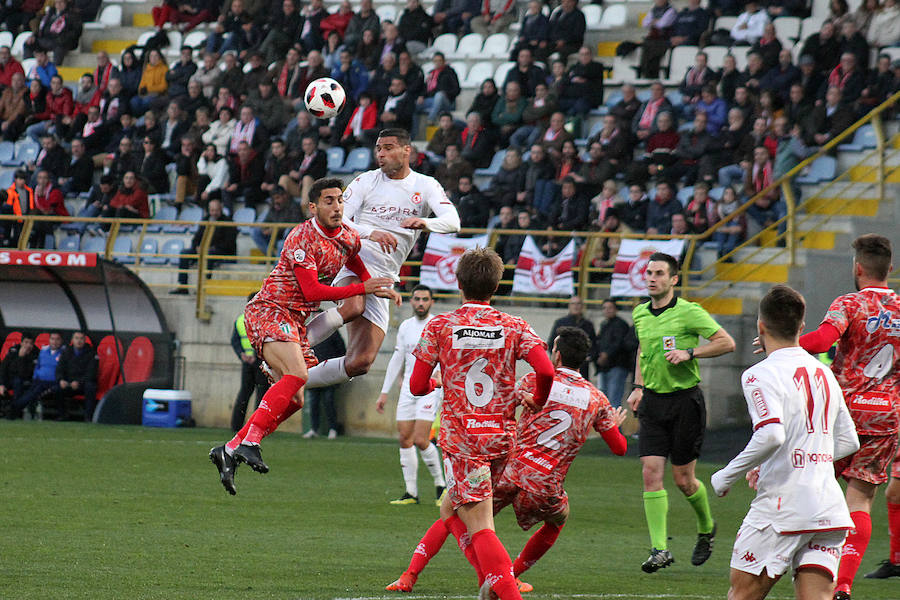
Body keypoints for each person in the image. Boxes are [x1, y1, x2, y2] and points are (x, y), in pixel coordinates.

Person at [385, 326, 627, 593]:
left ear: (556, 355)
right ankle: (512, 573)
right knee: (558, 520)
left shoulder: (533, 382)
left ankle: (411, 575)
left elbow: (498, 406)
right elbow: (619, 448)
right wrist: (613, 424)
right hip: (546, 484)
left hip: (510, 471)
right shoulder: (597, 400)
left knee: (454, 511)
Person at [208, 178, 400, 495]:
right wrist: (361, 288)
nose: (337, 206)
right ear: (313, 207)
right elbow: (313, 291)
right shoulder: (301, 237)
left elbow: (352, 257)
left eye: (339, 200)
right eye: (328, 201)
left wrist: (374, 283)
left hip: (295, 321)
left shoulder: (349, 236)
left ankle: (229, 449)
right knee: (297, 374)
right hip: (270, 309)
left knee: (296, 399)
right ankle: (251, 442)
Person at [406, 247, 556, 600]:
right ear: (497, 285)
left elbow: (416, 385)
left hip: (464, 442)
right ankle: (488, 582)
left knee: (480, 525)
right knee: (452, 510)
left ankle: (505, 591)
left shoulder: (441, 325)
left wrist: (434, 383)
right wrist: (538, 399)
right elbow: (546, 369)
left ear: (458, 283)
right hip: (502, 438)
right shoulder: (514, 325)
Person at [711, 285, 860, 600]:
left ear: (760, 326)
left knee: (743, 593)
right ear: (802, 328)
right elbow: (848, 441)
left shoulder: (759, 374)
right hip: (828, 507)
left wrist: (726, 474)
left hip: (783, 507)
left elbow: (771, 434)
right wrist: (804, 460)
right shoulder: (824, 372)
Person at [300, 128, 461, 392]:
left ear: (407, 150)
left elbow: (453, 221)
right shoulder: (366, 181)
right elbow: (340, 221)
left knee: (360, 362)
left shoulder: (426, 185)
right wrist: (371, 232)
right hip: (354, 260)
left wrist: (426, 222)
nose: (381, 154)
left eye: (388, 148)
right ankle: (293, 348)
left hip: (385, 276)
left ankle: (298, 379)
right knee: (353, 306)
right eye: (378, 148)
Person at [786, 234, 900, 600]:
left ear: (858, 268)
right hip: (885, 415)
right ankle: (844, 583)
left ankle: (805, 564)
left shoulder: (849, 304)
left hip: (842, 413)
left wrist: (786, 344)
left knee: (813, 483)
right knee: (861, 498)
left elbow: (821, 341)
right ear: (890, 270)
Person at [626, 252, 736, 573]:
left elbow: (726, 342)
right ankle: (659, 549)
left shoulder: (690, 312)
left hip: (685, 402)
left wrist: (691, 352)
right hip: (653, 402)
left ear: (674, 279)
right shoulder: (640, 313)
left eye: (659, 273)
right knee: (650, 473)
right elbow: (643, 350)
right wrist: (637, 385)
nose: (651, 278)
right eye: (648, 273)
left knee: (684, 481)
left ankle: (706, 527)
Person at [376, 284, 447, 506]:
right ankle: (411, 492)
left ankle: (440, 487)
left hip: (430, 388)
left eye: (425, 299)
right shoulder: (406, 327)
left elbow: (447, 357)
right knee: (404, 438)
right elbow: (398, 358)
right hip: (408, 388)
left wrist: (440, 374)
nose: (420, 303)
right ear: (412, 301)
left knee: (420, 438)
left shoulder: (437, 325)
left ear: (432, 302)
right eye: (416, 299)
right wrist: (384, 392)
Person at [172, 199, 237, 292]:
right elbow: (196, 238)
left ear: (221, 209)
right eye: (212, 210)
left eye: (216, 210)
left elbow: (228, 243)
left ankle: (204, 286)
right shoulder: (205, 220)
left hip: (220, 251)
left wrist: (209, 248)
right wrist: (197, 247)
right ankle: (183, 286)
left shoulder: (228, 222)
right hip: (204, 249)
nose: (214, 213)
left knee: (209, 254)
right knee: (184, 253)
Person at [230, 293, 271, 432]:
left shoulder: (240, 319)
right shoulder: (262, 319)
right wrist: (255, 356)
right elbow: (263, 340)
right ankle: (256, 426)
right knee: (261, 394)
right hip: (260, 361)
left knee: (244, 393)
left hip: (246, 362)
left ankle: (236, 426)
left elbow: (234, 341)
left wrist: (242, 355)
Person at [302, 331, 346, 440]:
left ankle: (332, 429)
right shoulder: (310, 332)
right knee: (313, 402)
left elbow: (342, 350)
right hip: (313, 370)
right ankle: (314, 429)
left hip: (329, 372)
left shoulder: (332, 332)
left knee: (329, 401)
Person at [11, 332, 64, 419]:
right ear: (49, 340)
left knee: (39, 392)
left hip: (55, 381)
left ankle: (12, 409)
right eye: (52, 339)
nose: (54, 342)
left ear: (61, 341)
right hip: (40, 380)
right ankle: (14, 410)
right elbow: (38, 366)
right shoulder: (43, 351)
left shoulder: (64, 353)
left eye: (57, 339)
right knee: (30, 394)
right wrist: (35, 376)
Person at [593, 299, 633, 409]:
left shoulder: (621, 324)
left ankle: (615, 426)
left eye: (610, 308)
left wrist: (606, 354)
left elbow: (619, 343)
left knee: (613, 400)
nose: (607, 310)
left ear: (615, 309)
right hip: (604, 367)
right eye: (604, 308)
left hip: (617, 366)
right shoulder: (604, 324)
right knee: (604, 400)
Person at [547, 296, 595, 379]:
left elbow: (593, 344)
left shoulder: (588, 325)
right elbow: (552, 343)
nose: (576, 306)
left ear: (582, 306)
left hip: (581, 367)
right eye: (573, 304)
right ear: (569, 306)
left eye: (578, 304)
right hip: (563, 366)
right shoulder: (561, 323)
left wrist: (589, 356)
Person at [55, 331, 98, 422]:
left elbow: (91, 373)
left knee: (90, 387)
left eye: (81, 338)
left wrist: (79, 382)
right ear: (72, 340)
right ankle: (62, 415)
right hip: (69, 383)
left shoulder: (91, 353)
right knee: (57, 388)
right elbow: (59, 369)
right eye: (76, 338)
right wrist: (61, 380)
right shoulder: (66, 352)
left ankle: (88, 417)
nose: (79, 341)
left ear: (85, 340)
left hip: (83, 383)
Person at [0, 332, 38, 419]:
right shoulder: (13, 350)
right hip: (10, 379)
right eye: (26, 342)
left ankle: (14, 411)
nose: (28, 345)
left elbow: (24, 374)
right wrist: (1, 384)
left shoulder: (36, 353)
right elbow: (4, 368)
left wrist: (22, 358)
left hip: (26, 380)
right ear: (21, 343)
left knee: (18, 382)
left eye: (30, 343)